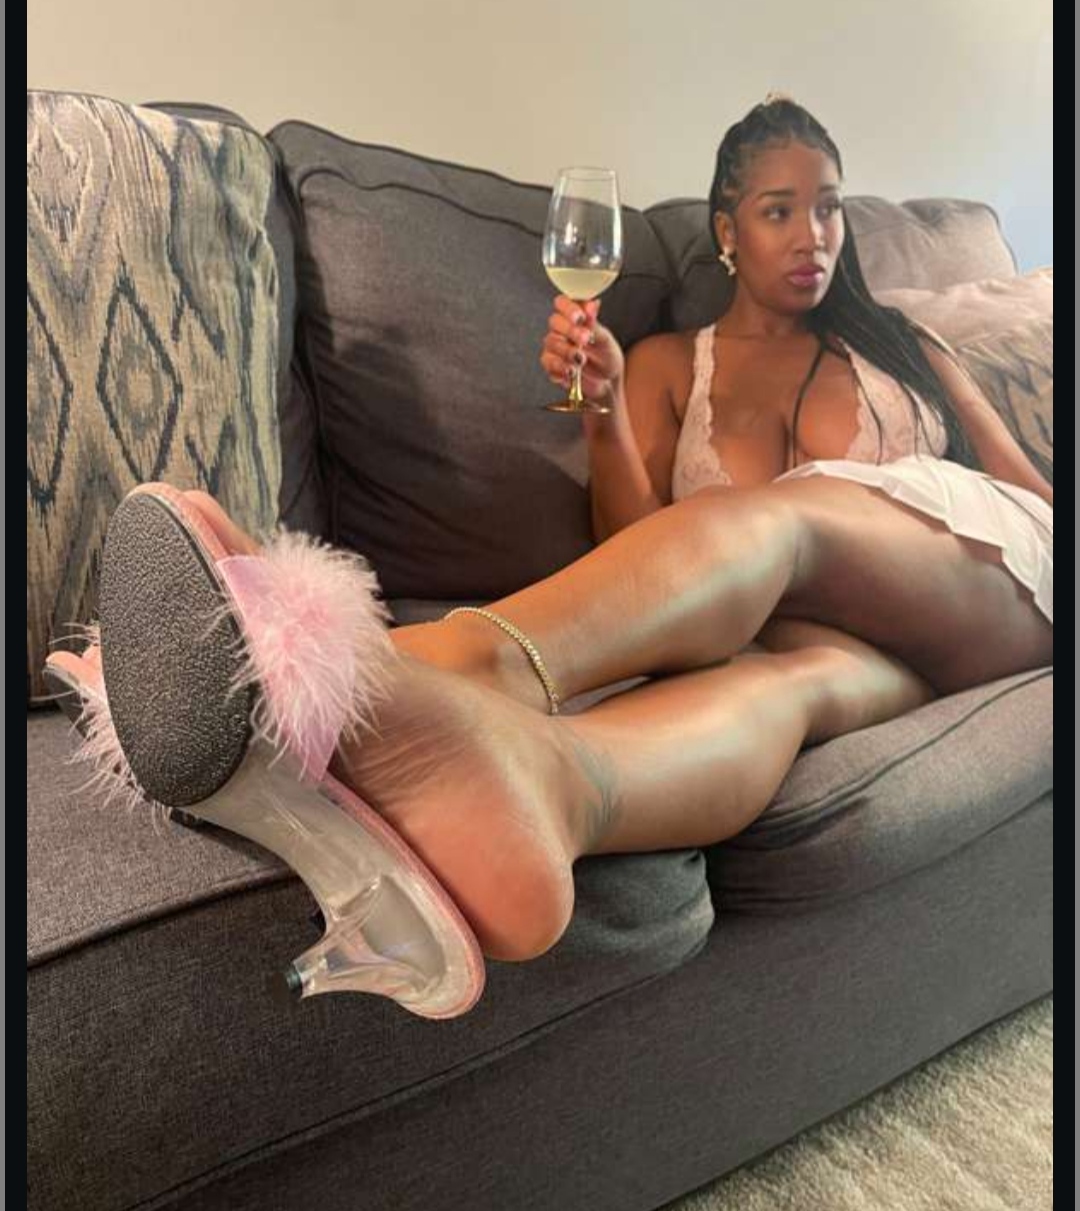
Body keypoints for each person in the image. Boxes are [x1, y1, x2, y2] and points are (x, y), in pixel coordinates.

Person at [48, 97, 1052, 1002]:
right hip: (849, 651)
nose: (814, 234)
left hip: (997, 589)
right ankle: (550, 785)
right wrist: (604, 411)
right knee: (782, 689)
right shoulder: (670, 363)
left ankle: (387, 671)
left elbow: (1023, 490)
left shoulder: (900, 343)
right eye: (780, 209)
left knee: (784, 520)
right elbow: (643, 549)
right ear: (726, 231)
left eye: (828, 207)